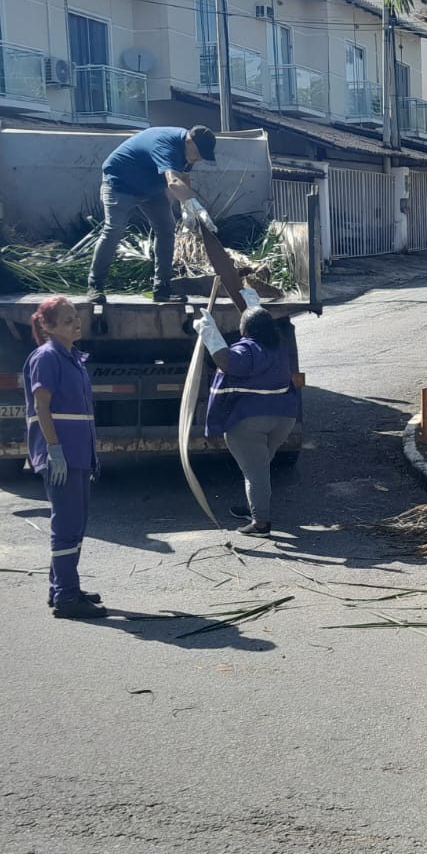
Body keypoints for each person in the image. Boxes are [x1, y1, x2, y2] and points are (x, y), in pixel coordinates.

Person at [23, 295, 105, 619]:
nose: (76, 323)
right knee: (67, 525)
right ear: (48, 326)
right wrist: (53, 449)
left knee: (76, 523)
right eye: (69, 319)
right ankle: (67, 598)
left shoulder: (72, 357)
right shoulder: (47, 357)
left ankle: (62, 587)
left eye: (76, 317)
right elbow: (42, 407)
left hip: (78, 455)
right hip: (63, 456)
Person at [197, 303, 301, 537]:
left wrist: (209, 333)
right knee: (259, 468)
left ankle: (260, 524)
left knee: (256, 474)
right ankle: (255, 506)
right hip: (283, 418)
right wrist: (249, 298)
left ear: (247, 329)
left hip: (249, 422)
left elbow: (227, 362)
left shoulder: (249, 350)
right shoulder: (279, 347)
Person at [88, 125, 218, 305]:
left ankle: (162, 289)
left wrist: (186, 208)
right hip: (119, 183)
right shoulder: (167, 145)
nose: (200, 158)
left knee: (166, 229)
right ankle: (95, 285)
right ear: (189, 141)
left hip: (150, 189)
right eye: (199, 153)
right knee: (114, 229)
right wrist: (195, 206)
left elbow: (184, 177)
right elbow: (173, 182)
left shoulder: (188, 152)